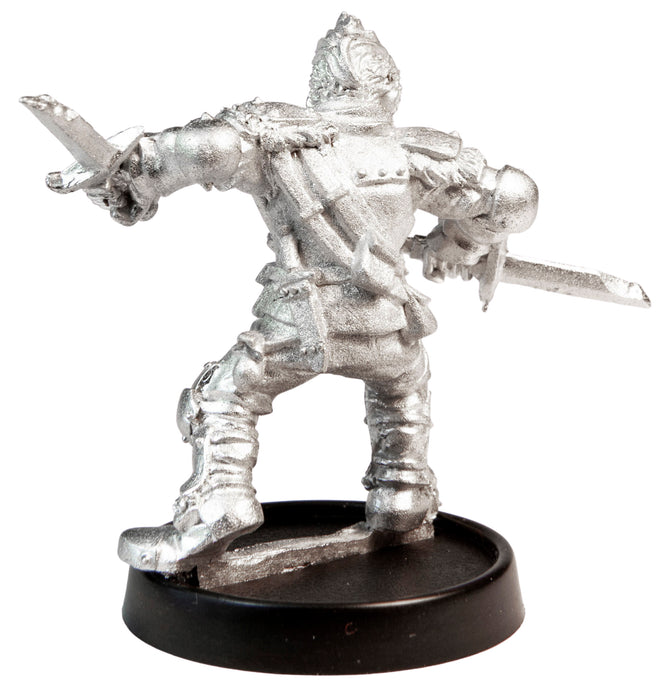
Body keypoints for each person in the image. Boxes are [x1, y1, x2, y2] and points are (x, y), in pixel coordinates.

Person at [92, 13, 538, 572]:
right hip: (389, 327)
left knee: (225, 396)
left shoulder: (279, 138)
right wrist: (462, 243)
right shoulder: (414, 153)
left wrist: (136, 173)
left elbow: (205, 149)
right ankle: (403, 496)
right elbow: (512, 197)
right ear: (388, 87)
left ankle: (220, 503)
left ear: (322, 84)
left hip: (304, 323)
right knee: (403, 391)